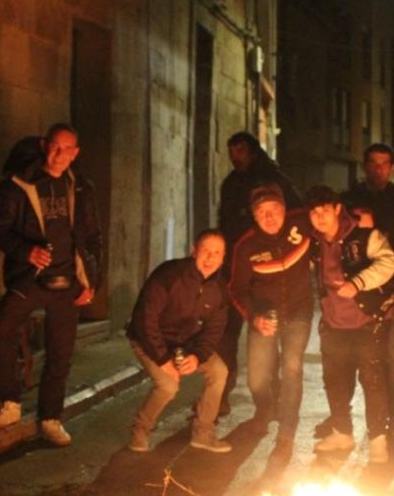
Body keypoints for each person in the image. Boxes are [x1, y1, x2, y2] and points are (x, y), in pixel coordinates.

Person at [0, 123, 102, 446]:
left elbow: (93, 238)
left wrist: (92, 280)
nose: (58, 154)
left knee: (60, 353)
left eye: (66, 149)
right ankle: (10, 403)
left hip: (68, 282)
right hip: (31, 277)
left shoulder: (80, 188)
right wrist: (26, 251)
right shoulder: (20, 183)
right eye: (53, 146)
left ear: (75, 153)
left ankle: (50, 418)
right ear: (43, 145)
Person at [305, 186, 394, 464]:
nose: (319, 217)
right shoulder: (314, 243)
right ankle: (342, 432)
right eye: (313, 212)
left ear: (337, 209)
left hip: (367, 323)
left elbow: (389, 263)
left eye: (324, 210)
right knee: (334, 382)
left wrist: (357, 283)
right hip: (333, 325)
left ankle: (378, 440)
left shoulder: (366, 236)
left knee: (372, 381)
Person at [342, 143, 394, 445]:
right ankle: (342, 421)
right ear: (365, 165)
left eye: (384, 163)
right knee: (348, 358)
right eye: (373, 163)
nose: (378, 168)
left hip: (388, 296)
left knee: (390, 358)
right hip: (350, 298)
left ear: (392, 168)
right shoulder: (349, 202)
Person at [216, 132, 302, 414]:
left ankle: (272, 398)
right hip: (236, 264)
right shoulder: (231, 183)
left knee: (271, 333)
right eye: (231, 150)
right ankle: (220, 395)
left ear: (252, 151)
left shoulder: (273, 178)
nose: (235, 156)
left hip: (270, 268)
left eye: (239, 150)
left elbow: (298, 212)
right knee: (226, 334)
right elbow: (225, 222)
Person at [126, 229, 231, 453]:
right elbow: (146, 318)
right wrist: (163, 359)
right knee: (168, 385)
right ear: (194, 251)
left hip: (185, 345)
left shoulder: (219, 289)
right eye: (205, 251)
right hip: (149, 340)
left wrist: (197, 356)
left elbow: (214, 330)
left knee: (219, 372)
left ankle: (203, 434)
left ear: (223, 258)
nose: (210, 258)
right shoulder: (169, 275)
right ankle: (139, 431)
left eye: (217, 253)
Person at [229, 184, 313, 459]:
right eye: (262, 212)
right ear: (254, 216)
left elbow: (330, 215)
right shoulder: (246, 247)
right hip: (264, 317)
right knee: (257, 379)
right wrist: (255, 317)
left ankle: (286, 434)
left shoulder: (300, 224)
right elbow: (237, 289)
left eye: (274, 210)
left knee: (291, 369)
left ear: (285, 210)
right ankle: (265, 409)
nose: (269, 217)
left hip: (298, 313)